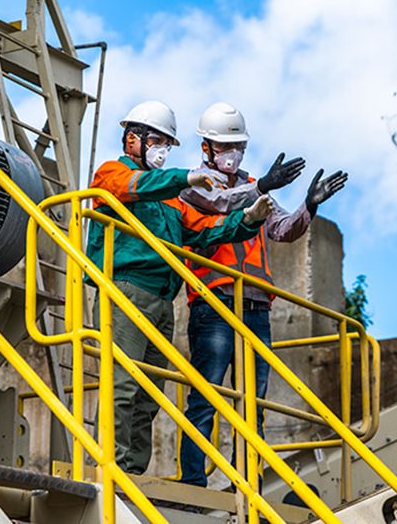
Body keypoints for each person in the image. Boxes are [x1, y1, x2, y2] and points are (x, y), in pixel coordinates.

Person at [86, 100, 274, 474]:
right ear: (132, 139)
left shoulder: (171, 198)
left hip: (161, 299)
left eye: (167, 143)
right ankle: (112, 468)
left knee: (149, 390)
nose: (161, 149)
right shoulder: (113, 173)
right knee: (122, 383)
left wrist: (248, 220)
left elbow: (204, 230)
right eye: (155, 140)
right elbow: (137, 186)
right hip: (125, 290)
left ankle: (134, 469)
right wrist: (185, 177)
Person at [177, 101, 347, 488]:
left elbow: (282, 229)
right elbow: (218, 202)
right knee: (206, 398)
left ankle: (245, 485)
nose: (232, 155)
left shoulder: (255, 185)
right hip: (214, 301)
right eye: (224, 147)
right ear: (207, 148)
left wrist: (309, 205)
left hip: (254, 305)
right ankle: (192, 484)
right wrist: (261, 187)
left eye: (238, 146)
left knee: (254, 404)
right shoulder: (195, 185)